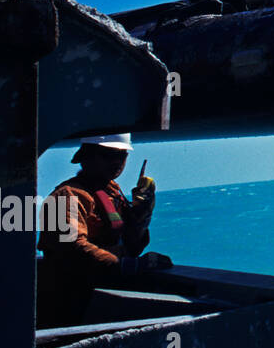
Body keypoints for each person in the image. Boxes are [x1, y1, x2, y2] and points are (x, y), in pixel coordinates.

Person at [37, 133, 173, 328]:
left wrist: (142, 217)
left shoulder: (111, 192)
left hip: (101, 292)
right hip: (68, 300)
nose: (117, 161)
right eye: (108, 155)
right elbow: (71, 249)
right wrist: (125, 265)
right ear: (87, 156)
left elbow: (130, 246)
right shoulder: (64, 197)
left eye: (122, 155)